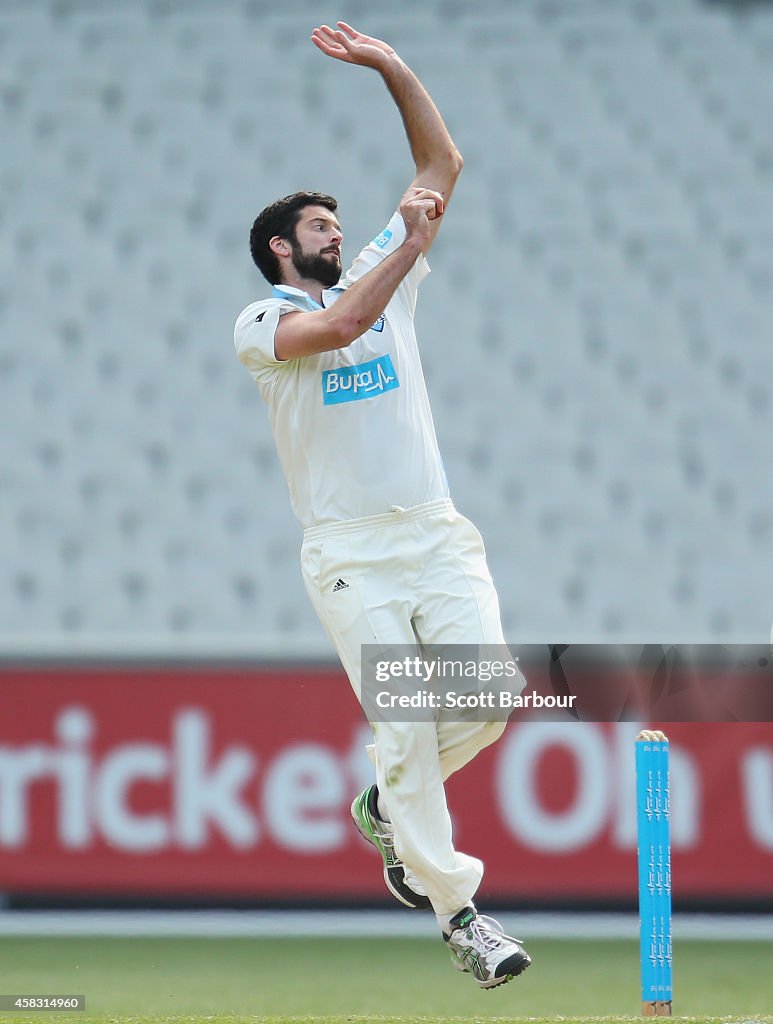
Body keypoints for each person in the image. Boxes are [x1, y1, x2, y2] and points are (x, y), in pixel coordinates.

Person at [234, 21, 531, 990]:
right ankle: (461, 914)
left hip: (436, 532)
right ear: (282, 247)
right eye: (319, 228)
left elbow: (442, 160)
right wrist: (403, 245)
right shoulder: (263, 321)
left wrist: (391, 67)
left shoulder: (380, 275)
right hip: (349, 550)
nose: (335, 233)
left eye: (338, 224)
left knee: (486, 703)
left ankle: (385, 808)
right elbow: (345, 321)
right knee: (404, 723)